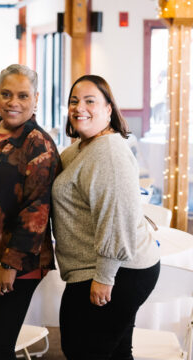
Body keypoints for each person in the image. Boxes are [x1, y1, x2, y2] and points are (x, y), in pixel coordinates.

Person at [52, 75, 160, 360]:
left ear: (109, 109)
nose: (79, 108)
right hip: (104, 268)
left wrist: (104, 276)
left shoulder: (108, 152)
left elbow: (117, 217)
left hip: (114, 272)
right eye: (74, 101)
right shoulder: (81, 148)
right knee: (116, 353)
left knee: (82, 351)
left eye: (90, 101)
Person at [0, 64, 60, 360]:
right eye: (6, 94)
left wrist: (10, 265)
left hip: (14, 263)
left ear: (35, 99)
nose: (13, 102)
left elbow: (38, 210)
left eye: (22, 95)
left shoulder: (38, 143)